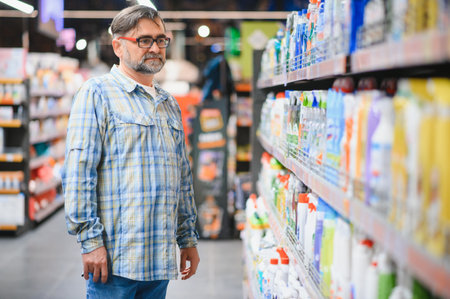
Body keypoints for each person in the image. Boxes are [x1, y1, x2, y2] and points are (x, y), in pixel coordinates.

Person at [61, 5, 199, 299]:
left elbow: (182, 176)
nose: (155, 48)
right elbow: (78, 173)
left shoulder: (169, 103)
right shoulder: (96, 93)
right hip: (115, 262)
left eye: (160, 40)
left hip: (159, 258)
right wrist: (90, 242)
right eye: (144, 40)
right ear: (118, 46)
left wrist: (187, 238)